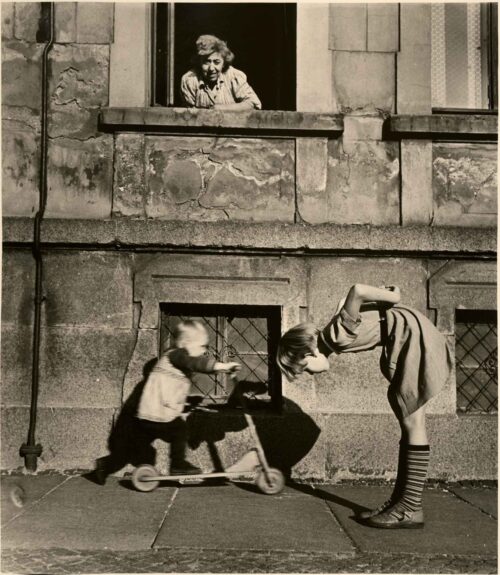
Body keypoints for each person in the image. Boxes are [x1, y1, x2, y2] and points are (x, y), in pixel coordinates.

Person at [276, 284, 452, 529]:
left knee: (413, 420)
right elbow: (352, 302)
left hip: (411, 335)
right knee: (406, 414)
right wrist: (384, 292)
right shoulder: (334, 330)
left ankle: (409, 507)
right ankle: (401, 502)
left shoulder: (334, 335)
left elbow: (357, 290)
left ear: (308, 351)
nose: (310, 373)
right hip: (407, 335)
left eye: (305, 368)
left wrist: (394, 296)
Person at [135, 320, 241, 475]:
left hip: (150, 411)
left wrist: (220, 370)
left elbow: (196, 366)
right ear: (186, 343)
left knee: (145, 443)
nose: (204, 351)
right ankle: (178, 465)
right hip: (159, 412)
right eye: (202, 346)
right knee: (179, 430)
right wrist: (222, 366)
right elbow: (196, 363)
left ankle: (105, 465)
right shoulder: (178, 355)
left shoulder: (173, 357)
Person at [180, 34, 262, 110]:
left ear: (224, 63)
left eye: (216, 62)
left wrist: (220, 109)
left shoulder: (233, 76)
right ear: (199, 62)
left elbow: (253, 103)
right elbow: (190, 116)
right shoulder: (190, 80)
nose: (211, 68)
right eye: (206, 62)